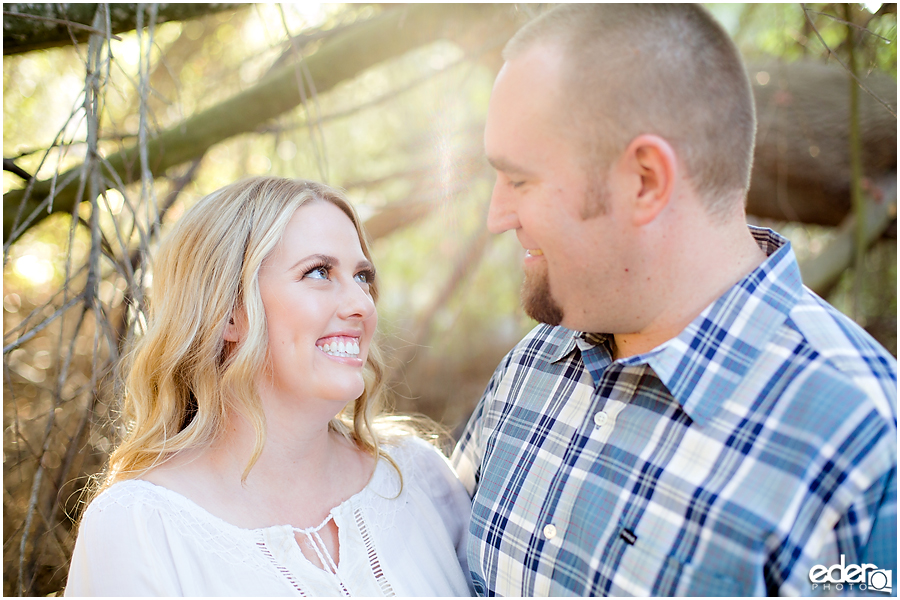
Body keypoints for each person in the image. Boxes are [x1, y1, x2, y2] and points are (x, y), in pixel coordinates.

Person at [451, 4, 897, 596]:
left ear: (645, 180)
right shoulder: (530, 367)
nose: (495, 216)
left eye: (521, 180)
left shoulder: (864, 446)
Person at [66, 176, 472, 596]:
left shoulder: (419, 477)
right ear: (226, 313)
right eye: (319, 272)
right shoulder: (140, 529)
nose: (362, 304)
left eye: (362, 276)